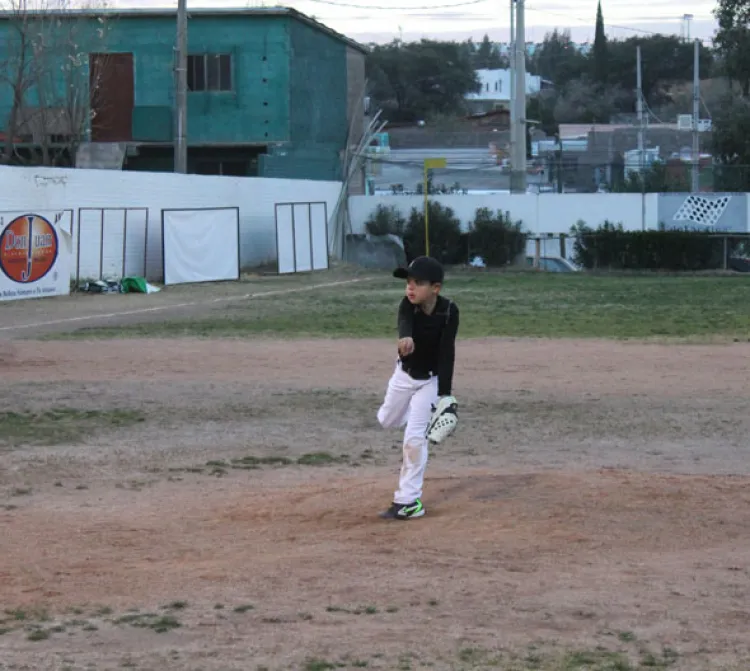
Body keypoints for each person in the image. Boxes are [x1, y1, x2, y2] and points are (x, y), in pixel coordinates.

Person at [376, 255, 460, 520]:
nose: (410, 288)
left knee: (414, 442)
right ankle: (413, 415)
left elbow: (447, 353)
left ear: (436, 288)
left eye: (418, 283)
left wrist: (445, 395)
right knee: (386, 420)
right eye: (408, 282)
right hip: (404, 375)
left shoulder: (449, 311)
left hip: (430, 382)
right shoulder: (407, 306)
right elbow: (405, 322)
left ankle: (408, 501)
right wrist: (405, 337)